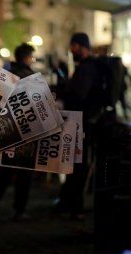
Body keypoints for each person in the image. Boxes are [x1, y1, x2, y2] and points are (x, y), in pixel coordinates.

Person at [54, 32, 103, 218]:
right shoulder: (87, 67)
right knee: (75, 164)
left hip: (83, 124)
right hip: (83, 123)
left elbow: (80, 94)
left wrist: (65, 91)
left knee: (77, 165)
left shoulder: (87, 68)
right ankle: (69, 202)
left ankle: (73, 205)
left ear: (81, 46)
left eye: (73, 46)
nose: (71, 49)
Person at [0, 42, 36, 221]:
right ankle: (19, 209)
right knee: (24, 173)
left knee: (5, 170)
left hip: (8, 130)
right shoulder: (28, 76)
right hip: (26, 129)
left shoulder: (8, 73)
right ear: (27, 57)